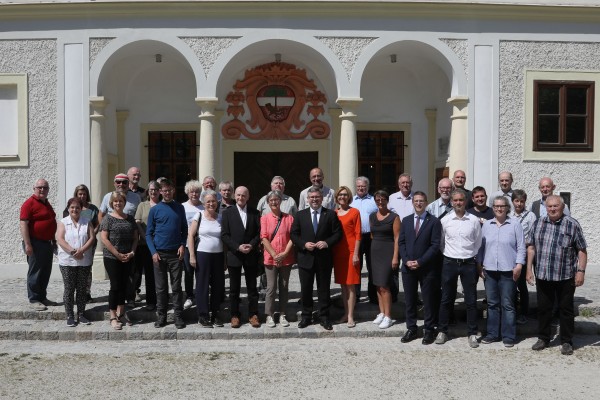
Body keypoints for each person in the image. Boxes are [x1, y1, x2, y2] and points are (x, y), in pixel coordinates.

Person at [527, 195, 587, 355]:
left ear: (562, 207)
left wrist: (581, 271)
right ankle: (543, 338)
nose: (552, 209)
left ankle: (567, 341)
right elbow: (531, 247)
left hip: (565, 276)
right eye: (550, 206)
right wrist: (528, 270)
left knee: (566, 310)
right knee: (543, 309)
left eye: (556, 206)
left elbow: (581, 250)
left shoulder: (572, 224)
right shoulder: (538, 223)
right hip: (543, 275)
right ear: (545, 207)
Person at [435, 189, 482, 348]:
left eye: (461, 200)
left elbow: (478, 242)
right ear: (452, 202)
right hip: (449, 262)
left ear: (466, 201)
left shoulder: (474, 220)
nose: (458, 203)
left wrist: (470, 256)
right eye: (455, 200)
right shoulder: (445, 220)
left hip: (468, 263)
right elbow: (441, 243)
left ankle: (472, 333)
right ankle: (442, 330)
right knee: (446, 298)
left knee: (471, 299)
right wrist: (449, 255)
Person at [291, 186, 342, 330]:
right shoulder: (300, 215)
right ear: (307, 199)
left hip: (323, 258)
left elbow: (337, 234)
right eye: (312, 197)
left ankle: (324, 317)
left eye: (317, 197)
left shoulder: (330, 214)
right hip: (305, 258)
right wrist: (303, 244)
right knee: (306, 289)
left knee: (324, 289)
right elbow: (294, 234)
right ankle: (306, 316)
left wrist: (327, 243)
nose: (314, 199)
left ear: (322, 198)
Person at [478, 196, 526, 347]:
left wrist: (519, 265)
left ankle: (509, 336)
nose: (499, 208)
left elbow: (521, 247)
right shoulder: (487, 225)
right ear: (493, 208)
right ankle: (492, 334)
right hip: (490, 270)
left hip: (508, 270)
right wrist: (479, 265)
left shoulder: (515, 224)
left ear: (507, 208)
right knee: (492, 304)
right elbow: (481, 247)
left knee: (508, 304)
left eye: (502, 206)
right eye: (496, 206)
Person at [399, 191, 442, 344]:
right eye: (416, 201)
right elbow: (401, 242)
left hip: (427, 268)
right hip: (408, 268)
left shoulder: (434, 221)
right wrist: (405, 260)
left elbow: (435, 245)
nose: (418, 203)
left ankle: (429, 329)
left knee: (428, 300)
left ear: (426, 202)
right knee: (410, 300)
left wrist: (421, 261)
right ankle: (411, 328)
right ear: (413, 203)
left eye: (421, 201)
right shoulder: (406, 220)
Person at [146, 179, 188, 330]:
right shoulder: (155, 210)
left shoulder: (179, 208)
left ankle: (178, 316)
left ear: (173, 191)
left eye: (169, 190)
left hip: (175, 254)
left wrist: (183, 245)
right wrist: (153, 252)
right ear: (160, 192)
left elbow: (184, 229)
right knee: (161, 288)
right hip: (159, 255)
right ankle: (161, 316)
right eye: (164, 190)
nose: (167, 193)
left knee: (176, 286)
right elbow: (148, 234)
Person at [221, 186, 262, 328]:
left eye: (243, 195)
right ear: (234, 196)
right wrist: (237, 247)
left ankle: (253, 314)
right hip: (234, 255)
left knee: (252, 288)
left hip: (251, 254)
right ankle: (235, 315)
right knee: (234, 289)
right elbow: (225, 235)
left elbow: (258, 233)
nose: (240, 198)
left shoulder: (255, 213)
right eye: (238, 195)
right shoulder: (227, 213)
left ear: (248, 196)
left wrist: (251, 245)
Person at [99, 191, 139, 330]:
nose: (118, 203)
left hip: (127, 256)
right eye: (115, 201)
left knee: (124, 285)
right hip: (112, 257)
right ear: (111, 203)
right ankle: (112, 316)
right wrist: (116, 253)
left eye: (120, 201)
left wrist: (132, 252)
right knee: (115, 286)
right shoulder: (107, 219)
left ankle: (121, 313)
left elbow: (135, 238)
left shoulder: (130, 219)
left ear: (124, 202)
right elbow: (104, 239)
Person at [188, 189, 226, 327]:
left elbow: (225, 239)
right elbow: (191, 236)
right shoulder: (198, 216)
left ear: (217, 202)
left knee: (217, 286)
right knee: (202, 285)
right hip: (202, 254)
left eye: (213, 201)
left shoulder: (221, 218)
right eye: (208, 201)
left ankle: (215, 313)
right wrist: (192, 255)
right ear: (204, 203)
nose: (211, 204)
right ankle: (203, 315)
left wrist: (225, 260)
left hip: (219, 255)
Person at [56, 197, 95, 327]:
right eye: (72, 207)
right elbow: (60, 239)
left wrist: (82, 250)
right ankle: (69, 315)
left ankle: (81, 314)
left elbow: (92, 238)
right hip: (67, 261)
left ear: (81, 209)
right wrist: (73, 252)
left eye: (77, 207)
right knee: (69, 288)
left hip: (84, 260)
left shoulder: (87, 221)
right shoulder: (63, 222)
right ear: (68, 209)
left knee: (82, 289)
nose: (75, 209)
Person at [20, 179, 58, 311]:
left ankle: (42, 297)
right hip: (35, 243)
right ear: (34, 188)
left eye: (45, 188)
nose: (42, 190)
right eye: (40, 187)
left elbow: (51, 222)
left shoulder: (46, 203)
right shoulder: (29, 203)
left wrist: (54, 241)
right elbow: (23, 224)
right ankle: (34, 299)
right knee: (35, 272)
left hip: (47, 243)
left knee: (45, 271)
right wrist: (27, 244)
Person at [260, 190, 295, 328]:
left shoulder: (289, 218)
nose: (274, 202)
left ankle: (282, 314)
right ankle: (269, 315)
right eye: (271, 200)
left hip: (286, 257)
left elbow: (293, 237)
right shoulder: (264, 218)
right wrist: (275, 254)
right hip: (270, 258)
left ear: (281, 201)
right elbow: (263, 238)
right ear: (268, 203)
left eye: (276, 200)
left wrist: (285, 253)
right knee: (271, 287)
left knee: (284, 286)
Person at [62, 184, 99, 303]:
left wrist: (91, 234)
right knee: (73, 268)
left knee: (86, 269)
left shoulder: (92, 209)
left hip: (89, 243)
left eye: (84, 194)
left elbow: (98, 223)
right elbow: (66, 225)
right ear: (76, 195)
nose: (82, 196)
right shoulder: (71, 207)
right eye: (80, 194)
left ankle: (86, 292)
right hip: (72, 244)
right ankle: (72, 293)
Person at [370, 190, 400, 329]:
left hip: (388, 252)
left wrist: (395, 257)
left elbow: (397, 238)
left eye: (382, 199)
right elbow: (372, 234)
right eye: (377, 199)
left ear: (387, 200)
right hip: (375, 252)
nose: (380, 202)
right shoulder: (372, 216)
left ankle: (388, 316)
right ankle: (381, 312)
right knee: (377, 284)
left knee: (385, 285)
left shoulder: (394, 217)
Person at [332, 186, 361, 328]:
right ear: (336, 197)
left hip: (351, 253)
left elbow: (358, 235)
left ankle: (351, 316)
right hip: (338, 253)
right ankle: (345, 313)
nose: (342, 197)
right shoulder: (334, 213)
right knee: (343, 285)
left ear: (349, 196)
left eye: (344, 194)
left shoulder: (355, 212)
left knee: (350, 285)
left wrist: (356, 253)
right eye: (340, 195)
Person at [511, 189, 537, 325]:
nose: (519, 204)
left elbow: (533, 235)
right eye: (516, 201)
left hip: (525, 251)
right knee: (511, 283)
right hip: (511, 252)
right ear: (512, 201)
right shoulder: (509, 215)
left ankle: (524, 313)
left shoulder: (530, 215)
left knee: (521, 284)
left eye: (521, 201)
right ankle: (513, 311)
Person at [133, 180, 159, 311]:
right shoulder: (142, 205)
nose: (153, 191)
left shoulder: (163, 205)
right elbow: (137, 223)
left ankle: (162, 299)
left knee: (160, 274)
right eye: (151, 189)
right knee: (149, 274)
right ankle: (151, 301)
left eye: (155, 189)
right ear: (148, 191)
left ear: (159, 191)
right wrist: (146, 237)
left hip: (161, 245)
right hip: (145, 245)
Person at [353, 176, 378, 304]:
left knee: (372, 267)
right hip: (356, 238)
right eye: (358, 186)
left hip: (371, 237)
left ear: (368, 187)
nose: (361, 188)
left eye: (363, 186)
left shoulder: (374, 201)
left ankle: (373, 295)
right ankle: (356, 295)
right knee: (356, 266)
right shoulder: (351, 201)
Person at [182, 180, 204, 310]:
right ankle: (189, 296)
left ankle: (201, 295)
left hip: (201, 244)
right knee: (188, 271)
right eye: (192, 192)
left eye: (197, 192)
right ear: (188, 193)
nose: (194, 194)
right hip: (186, 244)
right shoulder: (182, 206)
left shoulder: (204, 206)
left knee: (201, 271)